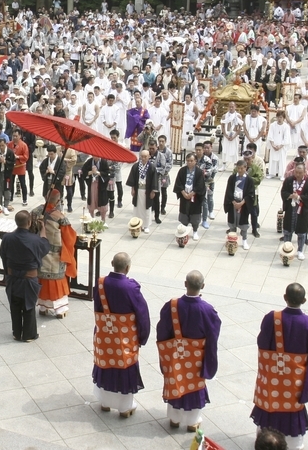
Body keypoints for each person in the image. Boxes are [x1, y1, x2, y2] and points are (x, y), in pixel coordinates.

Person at [251, 283, 308, 450]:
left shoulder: (272, 318)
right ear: (304, 300)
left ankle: (265, 442)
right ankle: (293, 445)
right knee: (292, 409)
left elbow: (262, 342)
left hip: (271, 377)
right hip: (294, 381)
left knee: (269, 405)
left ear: (285, 297)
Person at [156, 270, 221, 433]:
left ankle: (174, 418)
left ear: (185, 284)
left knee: (176, 380)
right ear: (203, 286)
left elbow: (162, 330)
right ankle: (192, 421)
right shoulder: (208, 310)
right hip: (197, 357)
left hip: (175, 355)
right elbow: (213, 336)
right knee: (194, 385)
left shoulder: (172, 306)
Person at [93, 252, 150, 419]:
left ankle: (105, 402)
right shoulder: (130, 288)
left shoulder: (100, 283)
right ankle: (125, 407)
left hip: (104, 333)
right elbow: (142, 314)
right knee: (124, 366)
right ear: (128, 268)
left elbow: (98, 307)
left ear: (112, 263)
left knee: (105, 362)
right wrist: (143, 336)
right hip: (125, 336)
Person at [0, 210, 50, 342]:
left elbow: (2, 254)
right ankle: (28, 335)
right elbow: (45, 246)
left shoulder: (7, 238)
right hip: (29, 278)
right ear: (29, 222)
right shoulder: (35, 239)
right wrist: (43, 229)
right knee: (28, 306)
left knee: (15, 305)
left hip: (12, 277)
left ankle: (16, 333)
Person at [31, 188, 77, 318]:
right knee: (56, 281)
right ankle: (59, 309)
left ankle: (43, 307)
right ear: (57, 201)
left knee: (42, 279)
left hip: (39, 252)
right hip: (55, 255)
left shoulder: (34, 212)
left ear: (46, 197)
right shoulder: (59, 217)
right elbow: (69, 237)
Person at [281, 162, 308, 260]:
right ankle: (287, 248)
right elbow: (283, 192)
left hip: (302, 210)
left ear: (305, 172)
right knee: (288, 230)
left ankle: (300, 250)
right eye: (296, 172)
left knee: (302, 232)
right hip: (290, 209)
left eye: (300, 173)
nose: (298, 174)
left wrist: (299, 197)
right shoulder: (289, 180)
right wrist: (290, 196)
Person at [224, 159, 256, 249]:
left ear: (246, 168)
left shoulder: (249, 180)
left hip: (244, 204)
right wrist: (233, 202)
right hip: (233, 203)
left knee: (243, 224)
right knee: (232, 223)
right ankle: (232, 240)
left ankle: (244, 240)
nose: (240, 170)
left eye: (242, 168)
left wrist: (242, 203)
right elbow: (229, 191)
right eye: (238, 168)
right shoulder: (232, 178)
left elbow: (250, 194)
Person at [175, 153, 207, 241]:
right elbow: (178, 183)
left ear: (195, 161)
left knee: (195, 214)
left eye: (191, 161)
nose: (189, 162)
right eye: (188, 161)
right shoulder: (182, 170)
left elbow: (200, 185)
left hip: (195, 197)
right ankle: (183, 230)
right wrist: (183, 192)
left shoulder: (199, 172)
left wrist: (192, 193)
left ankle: (195, 231)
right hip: (184, 195)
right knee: (184, 214)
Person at [126, 150, 160, 234]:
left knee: (146, 209)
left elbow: (154, 180)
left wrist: (153, 191)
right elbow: (132, 179)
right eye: (142, 156)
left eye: (145, 156)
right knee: (137, 208)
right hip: (138, 190)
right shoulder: (136, 166)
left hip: (147, 191)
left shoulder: (151, 167)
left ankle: (146, 225)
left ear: (149, 157)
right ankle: (137, 224)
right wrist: (133, 189)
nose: (143, 158)